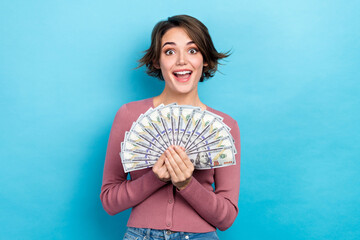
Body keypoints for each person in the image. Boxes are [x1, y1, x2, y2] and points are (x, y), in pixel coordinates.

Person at [100, 15, 241, 240]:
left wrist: (187, 184)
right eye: (170, 51)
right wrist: (155, 178)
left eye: (193, 50)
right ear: (157, 61)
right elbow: (109, 200)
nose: (182, 61)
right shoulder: (129, 115)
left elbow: (226, 218)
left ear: (205, 59)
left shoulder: (225, 127)